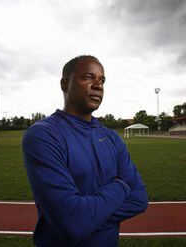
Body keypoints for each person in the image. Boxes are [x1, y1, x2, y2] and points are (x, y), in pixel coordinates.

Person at [22, 55, 148, 246]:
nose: (98, 85)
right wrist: (121, 186)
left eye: (102, 80)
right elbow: (71, 222)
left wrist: (86, 217)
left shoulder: (112, 138)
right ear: (65, 84)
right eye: (88, 77)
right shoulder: (43, 135)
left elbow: (139, 199)